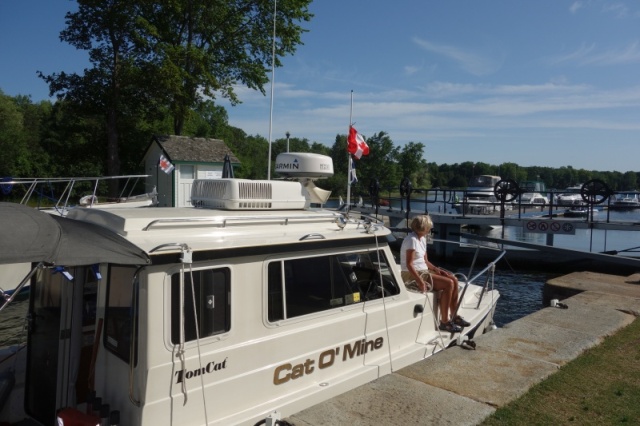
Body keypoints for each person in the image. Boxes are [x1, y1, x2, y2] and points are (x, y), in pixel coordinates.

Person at [400, 215, 470, 333]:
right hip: (411, 273)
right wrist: (420, 281)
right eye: (428, 227)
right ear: (423, 227)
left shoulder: (422, 239)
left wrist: (437, 269)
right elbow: (409, 264)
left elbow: (425, 261)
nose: (430, 230)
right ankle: (444, 322)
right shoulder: (411, 240)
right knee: (448, 284)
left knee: (454, 279)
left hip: (423, 271)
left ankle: (454, 315)